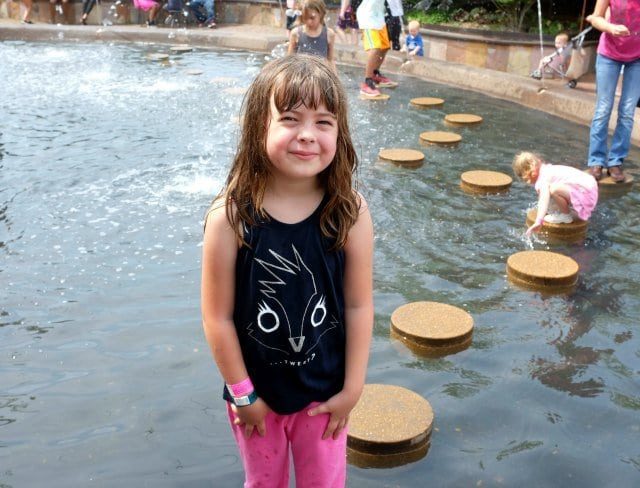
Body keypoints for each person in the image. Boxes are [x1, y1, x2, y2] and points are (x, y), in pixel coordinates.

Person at [201, 54, 374, 487]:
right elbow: (217, 317)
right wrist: (245, 395)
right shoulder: (230, 218)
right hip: (256, 397)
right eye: (290, 119)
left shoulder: (348, 212)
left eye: (323, 122)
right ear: (260, 125)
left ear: (340, 132)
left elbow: (358, 305)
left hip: (325, 397)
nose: (307, 136)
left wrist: (352, 390)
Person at [585, 0, 640, 183]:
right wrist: (610, 28)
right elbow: (596, 18)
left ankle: (615, 161)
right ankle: (596, 161)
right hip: (609, 54)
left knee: (627, 111)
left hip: (637, 59)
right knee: (603, 109)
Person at [512, 151, 598, 237]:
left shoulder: (543, 179)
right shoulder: (546, 169)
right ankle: (566, 211)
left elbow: (543, 199)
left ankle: (566, 216)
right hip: (589, 186)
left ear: (530, 174)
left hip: (586, 192)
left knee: (554, 190)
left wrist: (539, 220)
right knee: (551, 191)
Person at [340, 0, 396, 97]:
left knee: (385, 47)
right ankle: (367, 83)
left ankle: (375, 74)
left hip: (379, 16)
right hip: (368, 16)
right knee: (375, 48)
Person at [287, 0, 336, 71]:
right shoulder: (296, 33)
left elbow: (330, 60)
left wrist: (335, 79)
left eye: (312, 18)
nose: (309, 21)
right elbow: (289, 59)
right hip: (301, 75)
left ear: (321, 14)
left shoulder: (329, 34)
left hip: (320, 76)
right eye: (305, 18)